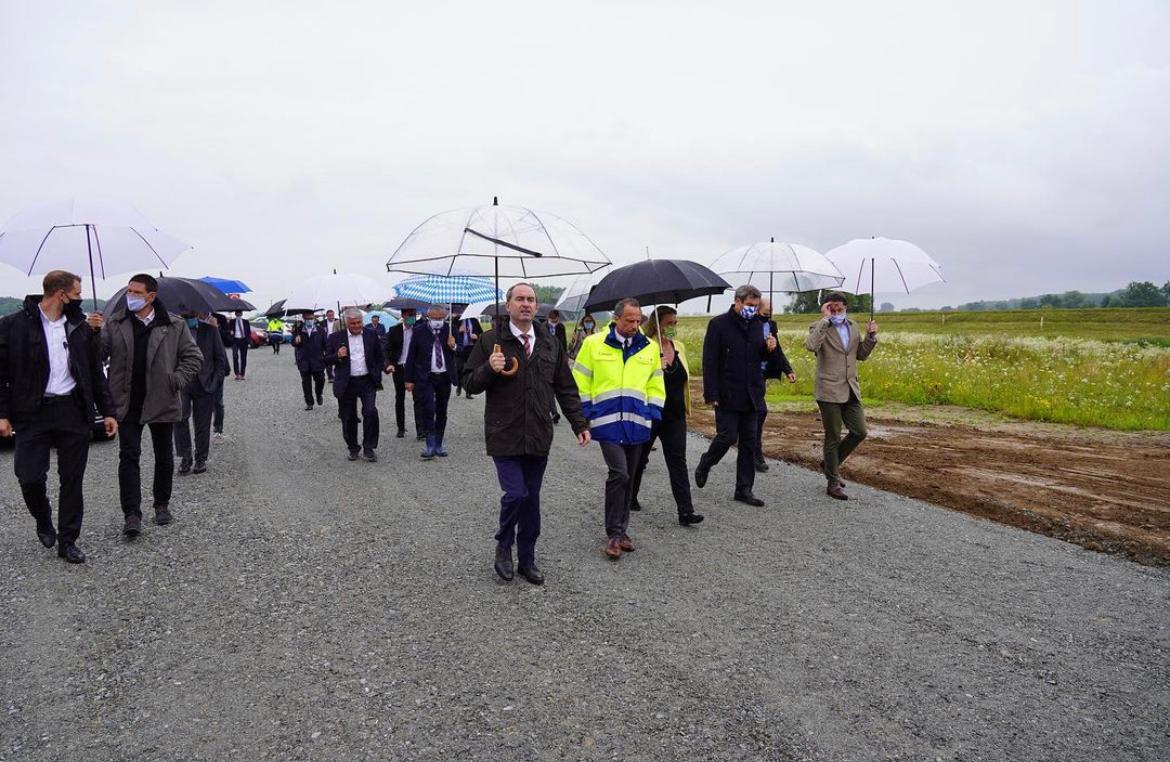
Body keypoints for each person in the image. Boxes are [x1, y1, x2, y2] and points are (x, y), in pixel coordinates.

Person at [463, 283, 590, 585]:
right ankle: (504, 546)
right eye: (519, 299)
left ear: (536, 306)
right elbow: (468, 382)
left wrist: (579, 424)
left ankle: (528, 559)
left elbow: (565, 387)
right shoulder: (491, 341)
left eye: (530, 299)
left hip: (538, 434)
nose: (526, 304)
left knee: (531, 500)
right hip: (503, 433)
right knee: (516, 493)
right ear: (507, 306)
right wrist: (488, 369)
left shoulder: (548, 342)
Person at [0, 271, 117, 564]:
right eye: (77, 294)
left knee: (72, 480)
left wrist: (108, 411)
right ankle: (43, 517)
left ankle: (68, 540)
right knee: (29, 478)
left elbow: (94, 372)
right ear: (60, 294)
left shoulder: (81, 325)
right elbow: (1, 374)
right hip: (32, 413)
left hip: (72, 411)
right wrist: (2, 414)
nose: (80, 299)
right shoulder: (13, 326)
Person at [102, 274, 203, 537]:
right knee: (129, 456)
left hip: (162, 398)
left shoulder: (173, 324)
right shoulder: (115, 323)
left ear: (151, 296)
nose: (131, 296)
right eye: (129, 291)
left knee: (164, 455)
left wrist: (176, 380)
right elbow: (97, 356)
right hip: (127, 400)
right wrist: (90, 334)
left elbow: (193, 356)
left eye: (136, 292)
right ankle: (132, 513)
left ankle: (162, 504)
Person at [572, 298, 665, 560]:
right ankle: (613, 533)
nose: (634, 325)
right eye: (629, 320)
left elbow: (656, 384)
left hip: (637, 422)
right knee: (619, 474)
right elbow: (580, 379)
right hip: (606, 421)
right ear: (616, 318)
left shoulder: (649, 348)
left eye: (638, 321)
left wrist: (652, 412)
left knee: (631, 477)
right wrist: (587, 412)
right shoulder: (594, 344)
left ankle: (622, 530)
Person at [693, 284, 782, 507]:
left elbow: (759, 357)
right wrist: (711, 393)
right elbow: (710, 361)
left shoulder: (758, 325)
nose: (753, 309)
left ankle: (744, 489)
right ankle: (706, 462)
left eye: (756, 306)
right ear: (738, 302)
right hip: (727, 393)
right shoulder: (719, 325)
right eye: (750, 305)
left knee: (749, 443)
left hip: (752, 393)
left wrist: (769, 349)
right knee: (727, 436)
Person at [629, 306, 704, 526]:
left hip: (675, 415)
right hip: (650, 412)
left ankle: (685, 511)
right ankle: (630, 496)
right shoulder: (644, 346)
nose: (674, 328)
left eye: (676, 323)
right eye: (670, 324)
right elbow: (633, 377)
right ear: (658, 324)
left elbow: (683, 379)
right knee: (640, 458)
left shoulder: (678, 347)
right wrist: (654, 367)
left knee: (678, 461)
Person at [805, 291, 878, 500]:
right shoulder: (819, 326)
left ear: (846, 308)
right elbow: (811, 345)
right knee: (833, 437)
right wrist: (825, 320)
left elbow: (861, 355)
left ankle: (830, 464)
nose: (836, 311)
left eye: (839, 308)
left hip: (850, 389)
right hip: (828, 390)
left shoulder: (853, 326)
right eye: (832, 308)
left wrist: (871, 337)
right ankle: (833, 481)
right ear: (826, 308)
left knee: (860, 431)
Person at [326, 308, 385, 461]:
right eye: (353, 323)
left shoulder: (371, 335)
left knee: (371, 412)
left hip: (367, 380)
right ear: (346, 323)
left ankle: (369, 447)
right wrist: (337, 356)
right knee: (349, 417)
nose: (357, 326)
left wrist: (379, 369)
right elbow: (325, 359)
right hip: (347, 382)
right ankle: (353, 447)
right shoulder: (335, 338)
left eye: (359, 322)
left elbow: (380, 355)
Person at [174, 312, 229, 475]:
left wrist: (215, 381)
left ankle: (200, 459)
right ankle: (185, 457)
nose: (189, 310)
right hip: (181, 383)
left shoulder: (210, 330)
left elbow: (220, 358)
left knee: (202, 423)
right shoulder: (174, 329)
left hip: (205, 384)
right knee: (180, 420)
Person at [404, 304, 457, 459]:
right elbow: (411, 356)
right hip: (426, 377)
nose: (438, 321)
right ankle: (429, 443)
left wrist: (454, 346)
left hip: (444, 376)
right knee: (428, 408)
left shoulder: (450, 330)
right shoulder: (419, 331)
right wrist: (408, 379)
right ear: (428, 317)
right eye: (434, 318)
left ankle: (439, 443)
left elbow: (461, 351)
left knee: (442, 409)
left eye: (440, 318)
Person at [754, 299, 796, 473]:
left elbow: (778, 350)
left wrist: (788, 370)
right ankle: (754, 453)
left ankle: (753, 450)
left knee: (757, 414)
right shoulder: (750, 324)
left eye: (771, 311)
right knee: (760, 412)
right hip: (749, 374)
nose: (769, 313)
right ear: (757, 309)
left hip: (763, 374)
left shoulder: (772, 325)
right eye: (766, 311)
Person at [384, 307, 424, 439]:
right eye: (410, 314)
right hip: (400, 368)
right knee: (400, 398)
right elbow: (386, 349)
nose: (412, 317)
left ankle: (420, 430)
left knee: (418, 398)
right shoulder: (394, 331)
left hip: (415, 368)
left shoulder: (419, 330)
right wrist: (388, 364)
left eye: (414, 314)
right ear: (403, 315)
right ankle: (401, 428)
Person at [292, 311, 327, 410]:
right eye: (307, 318)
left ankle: (319, 394)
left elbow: (325, 344)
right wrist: (296, 340)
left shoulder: (320, 330)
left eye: (311, 318)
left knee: (321, 379)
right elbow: (293, 343)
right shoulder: (298, 330)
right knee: (306, 382)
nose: (309, 320)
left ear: (314, 318)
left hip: (318, 360)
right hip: (304, 360)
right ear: (303, 318)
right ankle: (309, 402)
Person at [451, 309, 483, 399]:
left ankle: (468, 391)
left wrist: (476, 335)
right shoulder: (457, 320)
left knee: (470, 369)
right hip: (461, 348)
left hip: (471, 348)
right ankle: (459, 386)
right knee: (459, 368)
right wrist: (459, 330)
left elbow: (481, 333)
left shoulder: (474, 320)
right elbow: (451, 334)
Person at [545, 309, 568, 423]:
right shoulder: (543, 327)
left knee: (557, 387)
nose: (554, 322)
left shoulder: (561, 327)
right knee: (549, 388)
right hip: (547, 360)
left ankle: (551, 410)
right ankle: (554, 412)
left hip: (558, 359)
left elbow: (563, 343)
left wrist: (564, 358)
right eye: (553, 320)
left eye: (556, 320)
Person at [229, 309, 250, 380]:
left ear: (241, 314)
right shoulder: (232, 321)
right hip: (235, 340)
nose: (238, 315)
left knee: (243, 358)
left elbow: (249, 332)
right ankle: (237, 374)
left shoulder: (246, 322)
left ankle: (242, 374)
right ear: (235, 314)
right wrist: (230, 333)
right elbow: (228, 330)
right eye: (237, 314)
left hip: (244, 340)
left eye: (239, 314)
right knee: (235, 356)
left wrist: (248, 340)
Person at [323, 309, 340, 381]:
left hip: (337, 341)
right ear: (326, 316)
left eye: (332, 315)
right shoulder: (322, 323)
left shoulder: (338, 321)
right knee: (328, 358)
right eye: (329, 315)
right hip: (327, 342)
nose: (331, 317)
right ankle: (330, 376)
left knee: (337, 357)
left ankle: (338, 374)